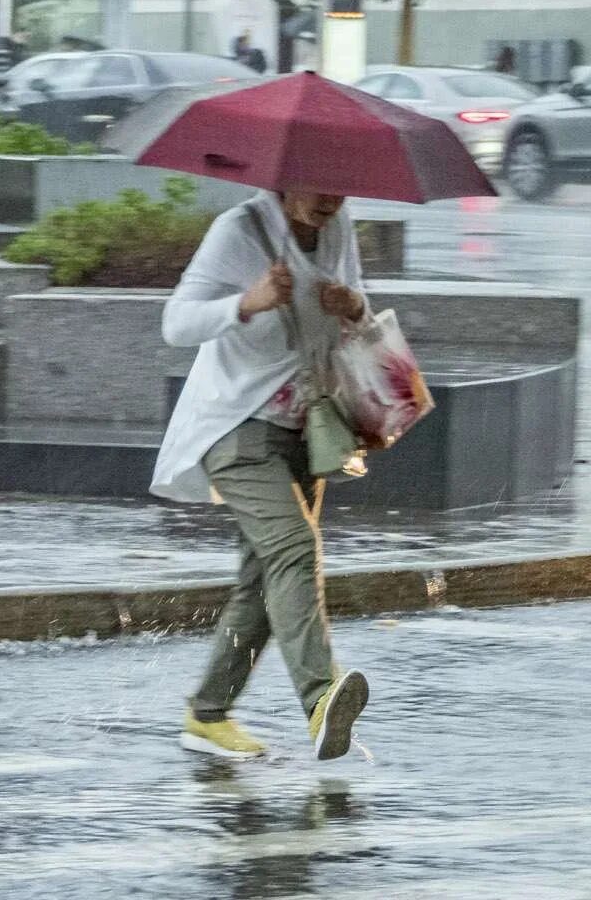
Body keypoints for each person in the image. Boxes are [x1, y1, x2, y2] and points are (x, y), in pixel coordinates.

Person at [151, 189, 372, 762]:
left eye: (342, 183)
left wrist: (352, 307)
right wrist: (244, 303)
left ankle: (206, 715)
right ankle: (322, 697)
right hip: (237, 428)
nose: (330, 197)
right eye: (319, 182)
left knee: (262, 579)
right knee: (294, 548)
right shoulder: (240, 229)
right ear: (289, 172)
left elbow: (357, 313)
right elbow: (176, 323)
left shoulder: (338, 221)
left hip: (309, 429)